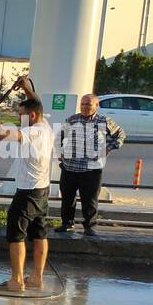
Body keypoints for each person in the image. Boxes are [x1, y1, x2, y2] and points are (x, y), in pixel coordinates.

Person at [0, 75, 55, 292]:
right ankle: (36, 277)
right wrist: (27, 89)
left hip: (28, 192)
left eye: (22, 115)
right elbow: (37, 104)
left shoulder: (33, 131)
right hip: (42, 190)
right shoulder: (44, 125)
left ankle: (17, 281)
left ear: (32, 116)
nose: (19, 119)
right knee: (39, 233)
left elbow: (0, 134)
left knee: (16, 235)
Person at [57, 93, 124, 236]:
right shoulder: (72, 119)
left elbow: (120, 135)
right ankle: (67, 223)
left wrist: (107, 149)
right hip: (69, 167)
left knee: (90, 200)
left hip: (91, 169)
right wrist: (60, 151)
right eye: (83, 104)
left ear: (96, 105)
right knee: (67, 198)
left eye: (88, 104)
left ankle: (89, 226)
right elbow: (60, 137)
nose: (85, 107)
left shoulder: (104, 121)